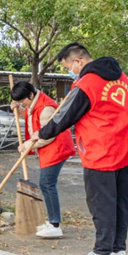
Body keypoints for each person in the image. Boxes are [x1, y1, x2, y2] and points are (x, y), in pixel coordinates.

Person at [31, 43, 128, 255]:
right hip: (125, 146)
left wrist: (39, 134)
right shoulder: (121, 77)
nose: (70, 72)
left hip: (101, 149)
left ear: (78, 62)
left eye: (68, 67)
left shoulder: (86, 83)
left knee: (101, 203)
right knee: (120, 202)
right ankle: (118, 250)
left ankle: (102, 253)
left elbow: (64, 117)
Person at [11, 81, 75, 239]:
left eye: (22, 101)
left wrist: (26, 145)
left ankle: (55, 225)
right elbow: (30, 117)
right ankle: (52, 221)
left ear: (30, 95)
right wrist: (18, 109)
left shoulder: (46, 108)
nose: (22, 104)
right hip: (49, 149)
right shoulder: (34, 103)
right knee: (46, 184)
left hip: (56, 148)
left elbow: (48, 135)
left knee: (47, 184)